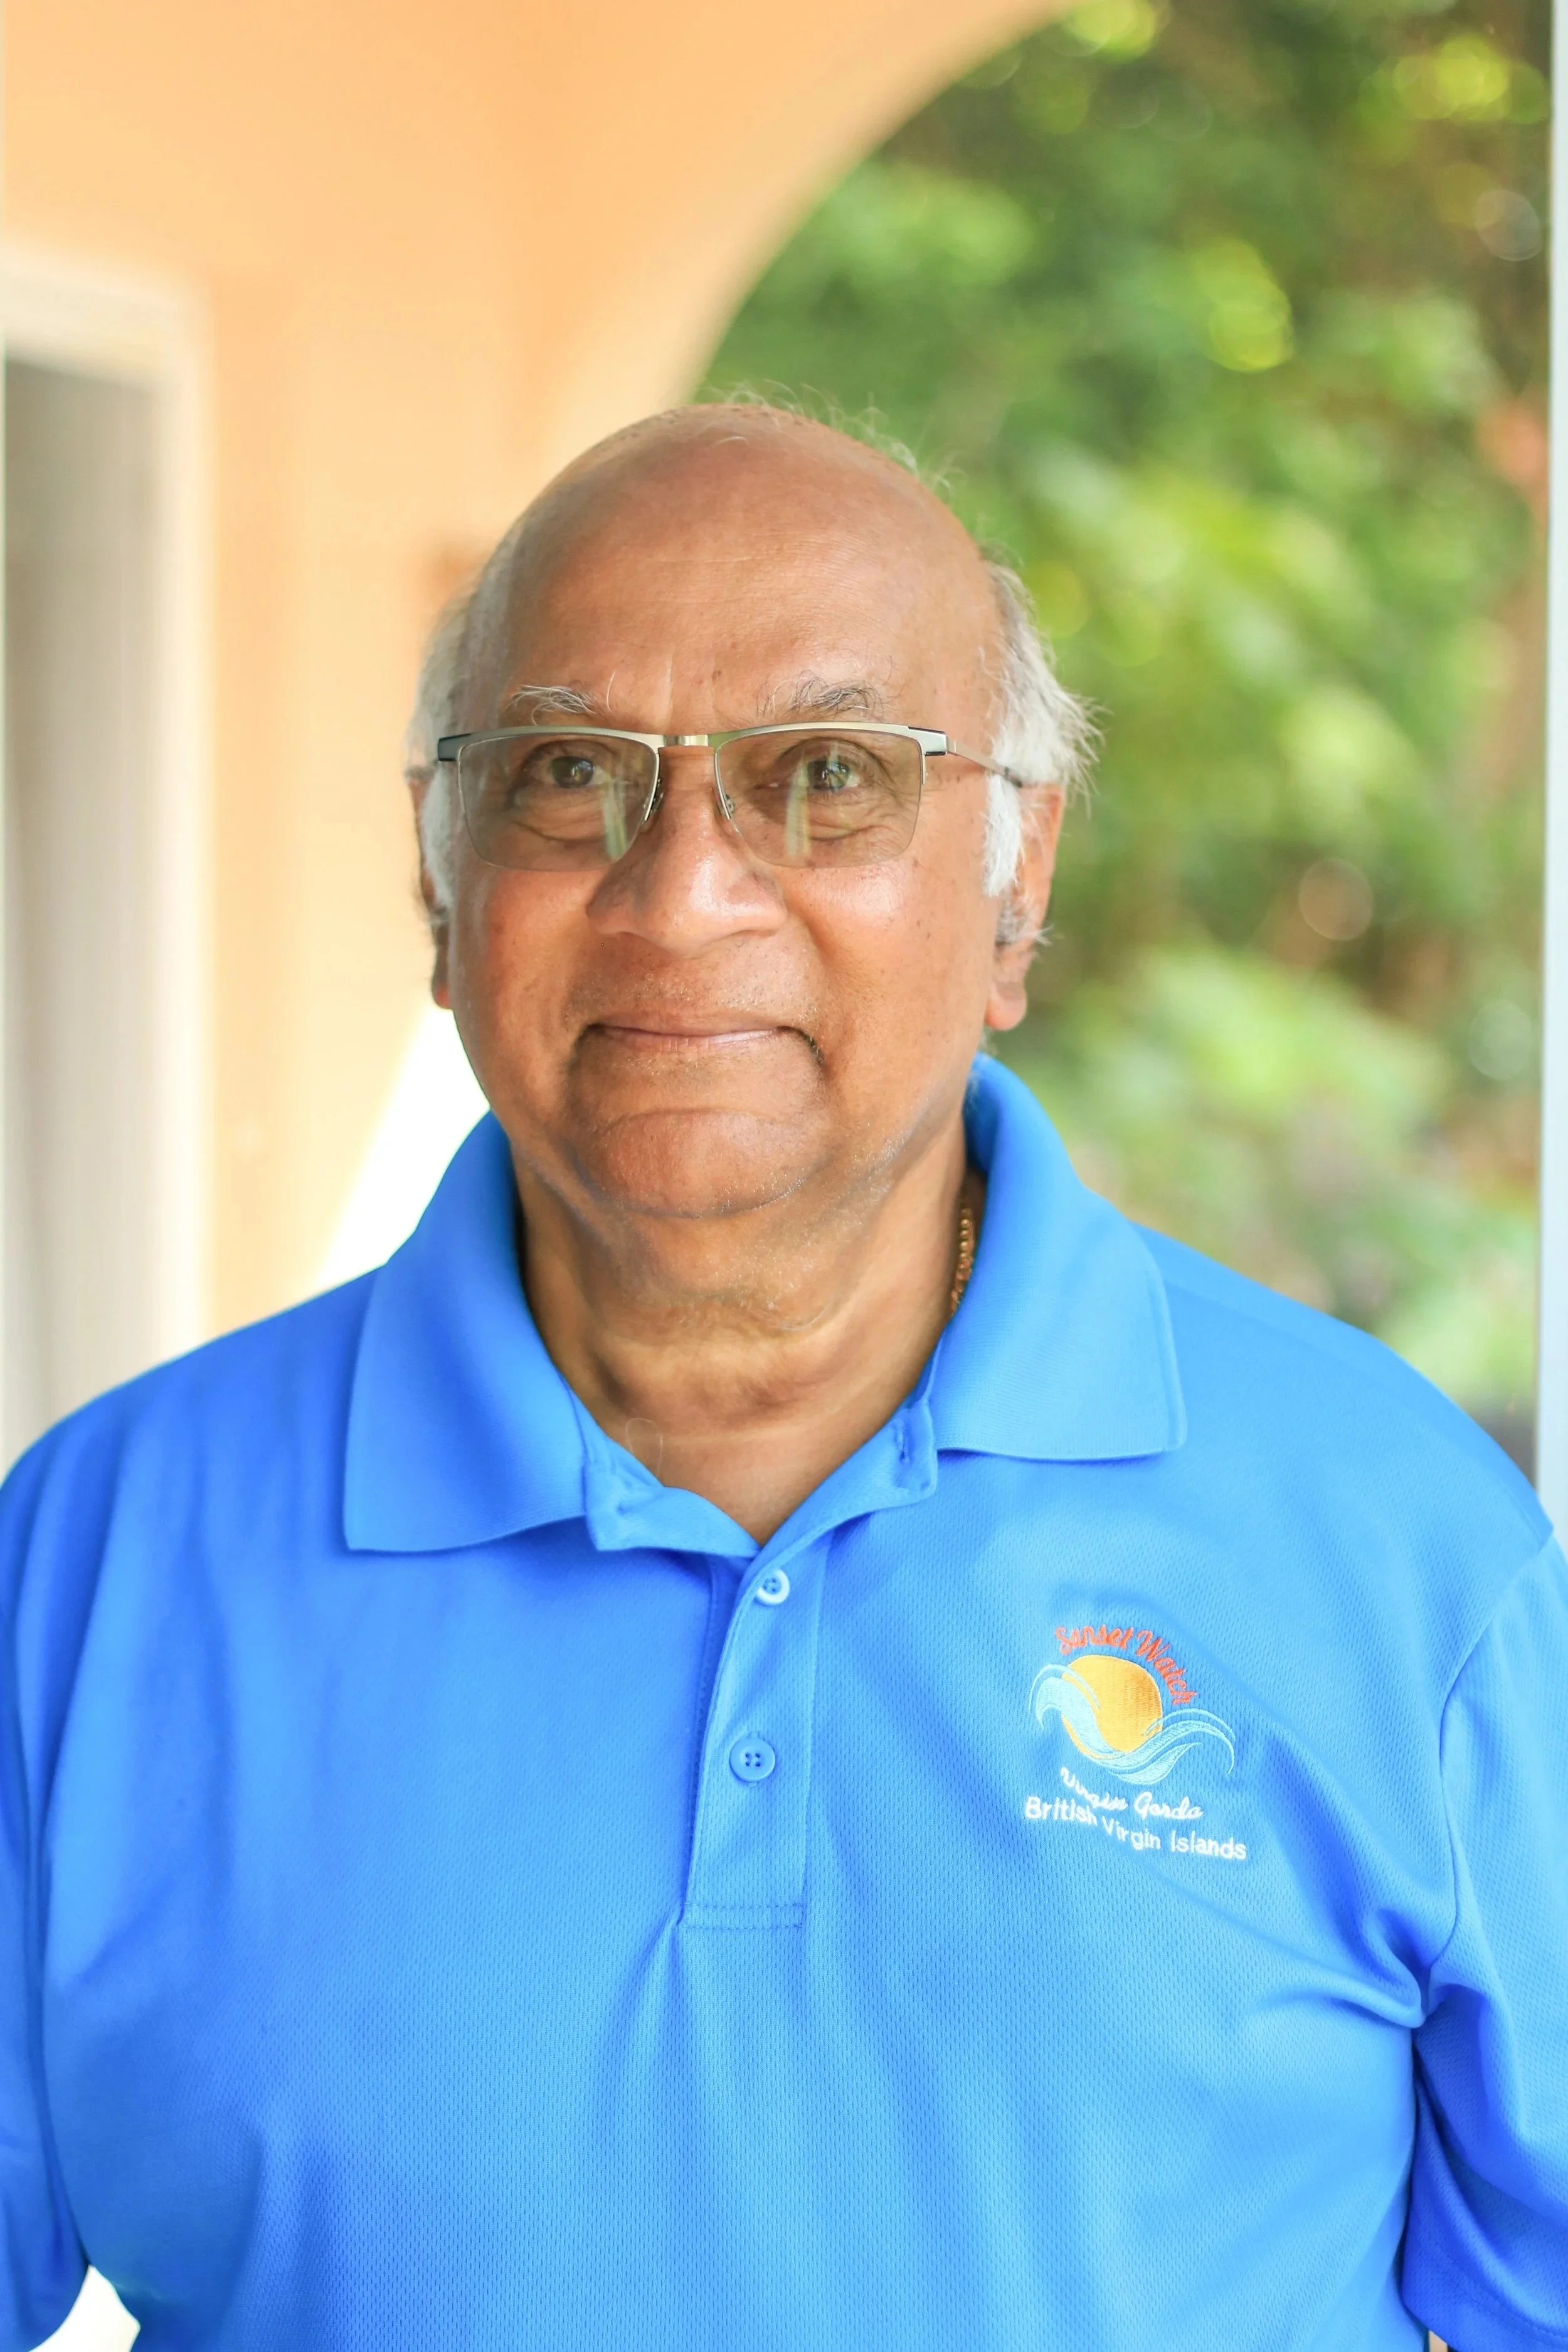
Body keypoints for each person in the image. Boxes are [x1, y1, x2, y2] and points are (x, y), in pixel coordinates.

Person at [0, 405, 1562, 2352]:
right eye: (568, 775)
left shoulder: (1408, 1556)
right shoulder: (88, 1561)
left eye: (824, 777)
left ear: (1013, 888)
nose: (682, 895)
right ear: (439, 884)